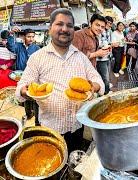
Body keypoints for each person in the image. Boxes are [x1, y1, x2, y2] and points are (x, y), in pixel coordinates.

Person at [15, 8, 105, 152]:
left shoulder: (80, 57)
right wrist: (26, 91)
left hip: (76, 126)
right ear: (50, 28)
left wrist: (91, 88)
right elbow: (20, 88)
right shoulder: (37, 57)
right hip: (50, 129)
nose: (65, 29)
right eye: (59, 24)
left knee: (73, 160)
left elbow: (99, 82)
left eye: (69, 25)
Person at [96, 16, 114, 94]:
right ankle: (106, 92)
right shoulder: (98, 31)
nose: (109, 25)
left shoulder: (109, 31)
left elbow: (109, 42)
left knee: (107, 74)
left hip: (108, 56)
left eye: (111, 23)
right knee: (105, 76)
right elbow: (97, 44)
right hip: (100, 58)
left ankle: (106, 86)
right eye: (108, 22)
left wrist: (111, 45)